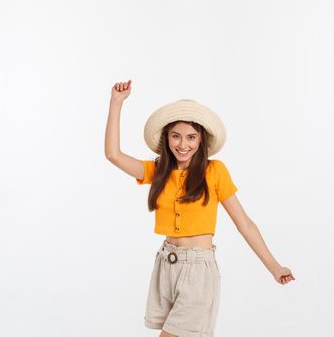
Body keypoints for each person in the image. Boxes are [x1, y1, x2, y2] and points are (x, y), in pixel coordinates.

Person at [103, 80, 295, 337]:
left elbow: (244, 223)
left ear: (202, 139)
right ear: (167, 137)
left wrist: (274, 266)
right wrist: (116, 103)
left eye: (191, 137)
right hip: (165, 264)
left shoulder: (214, 171)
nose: (183, 145)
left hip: (197, 269)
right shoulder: (158, 170)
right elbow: (113, 155)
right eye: (176, 136)